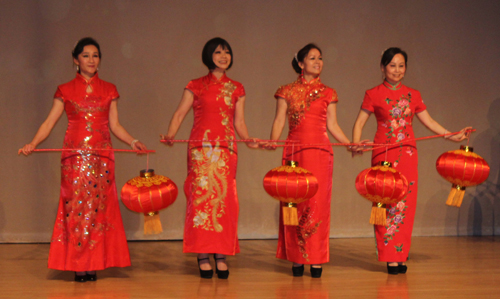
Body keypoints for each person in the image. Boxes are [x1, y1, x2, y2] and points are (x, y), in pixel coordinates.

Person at [18, 37, 147, 282]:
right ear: (75, 60)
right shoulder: (65, 90)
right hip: (75, 158)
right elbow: (49, 122)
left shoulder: (109, 89)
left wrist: (132, 141)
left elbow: (115, 125)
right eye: (86, 55)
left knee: (99, 210)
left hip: (102, 157)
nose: (91, 60)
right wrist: (33, 144)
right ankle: (79, 263)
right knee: (76, 210)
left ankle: (94, 262)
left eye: (95, 55)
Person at [352, 47, 470, 274]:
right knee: (385, 204)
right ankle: (389, 256)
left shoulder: (413, 94)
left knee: (405, 205)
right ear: (383, 67)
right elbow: (359, 123)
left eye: (401, 65)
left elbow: (430, 122)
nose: (397, 70)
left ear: (406, 68)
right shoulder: (373, 93)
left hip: (407, 155)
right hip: (383, 155)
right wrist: (356, 144)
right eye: (392, 65)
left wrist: (453, 136)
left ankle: (401, 254)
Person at [161, 37, 258, 279]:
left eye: (227, 52)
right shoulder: (195, 85)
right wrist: (171, 135)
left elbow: (239, 123)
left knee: (224, 203)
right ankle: (203, 254)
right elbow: (180, 112)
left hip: (226, 151)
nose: (223, 56)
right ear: (208, 56)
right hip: (201, 151)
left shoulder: (237, 88)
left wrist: (249, 140)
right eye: (218, 52)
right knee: (201, 202)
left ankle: (221, 254)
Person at [264, 43, 351, 278]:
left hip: (320, 154)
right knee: (295, 203)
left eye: (320, 58)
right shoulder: (286, 90)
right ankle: (296, 257)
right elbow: (279, 121)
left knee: (318, 205)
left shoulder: (328, 92)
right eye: (312, 58)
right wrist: (273, 141)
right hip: (294, 152)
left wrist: (349, 144)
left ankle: (316, 258)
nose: (317, 62)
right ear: (301, 63)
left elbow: (332, 125)